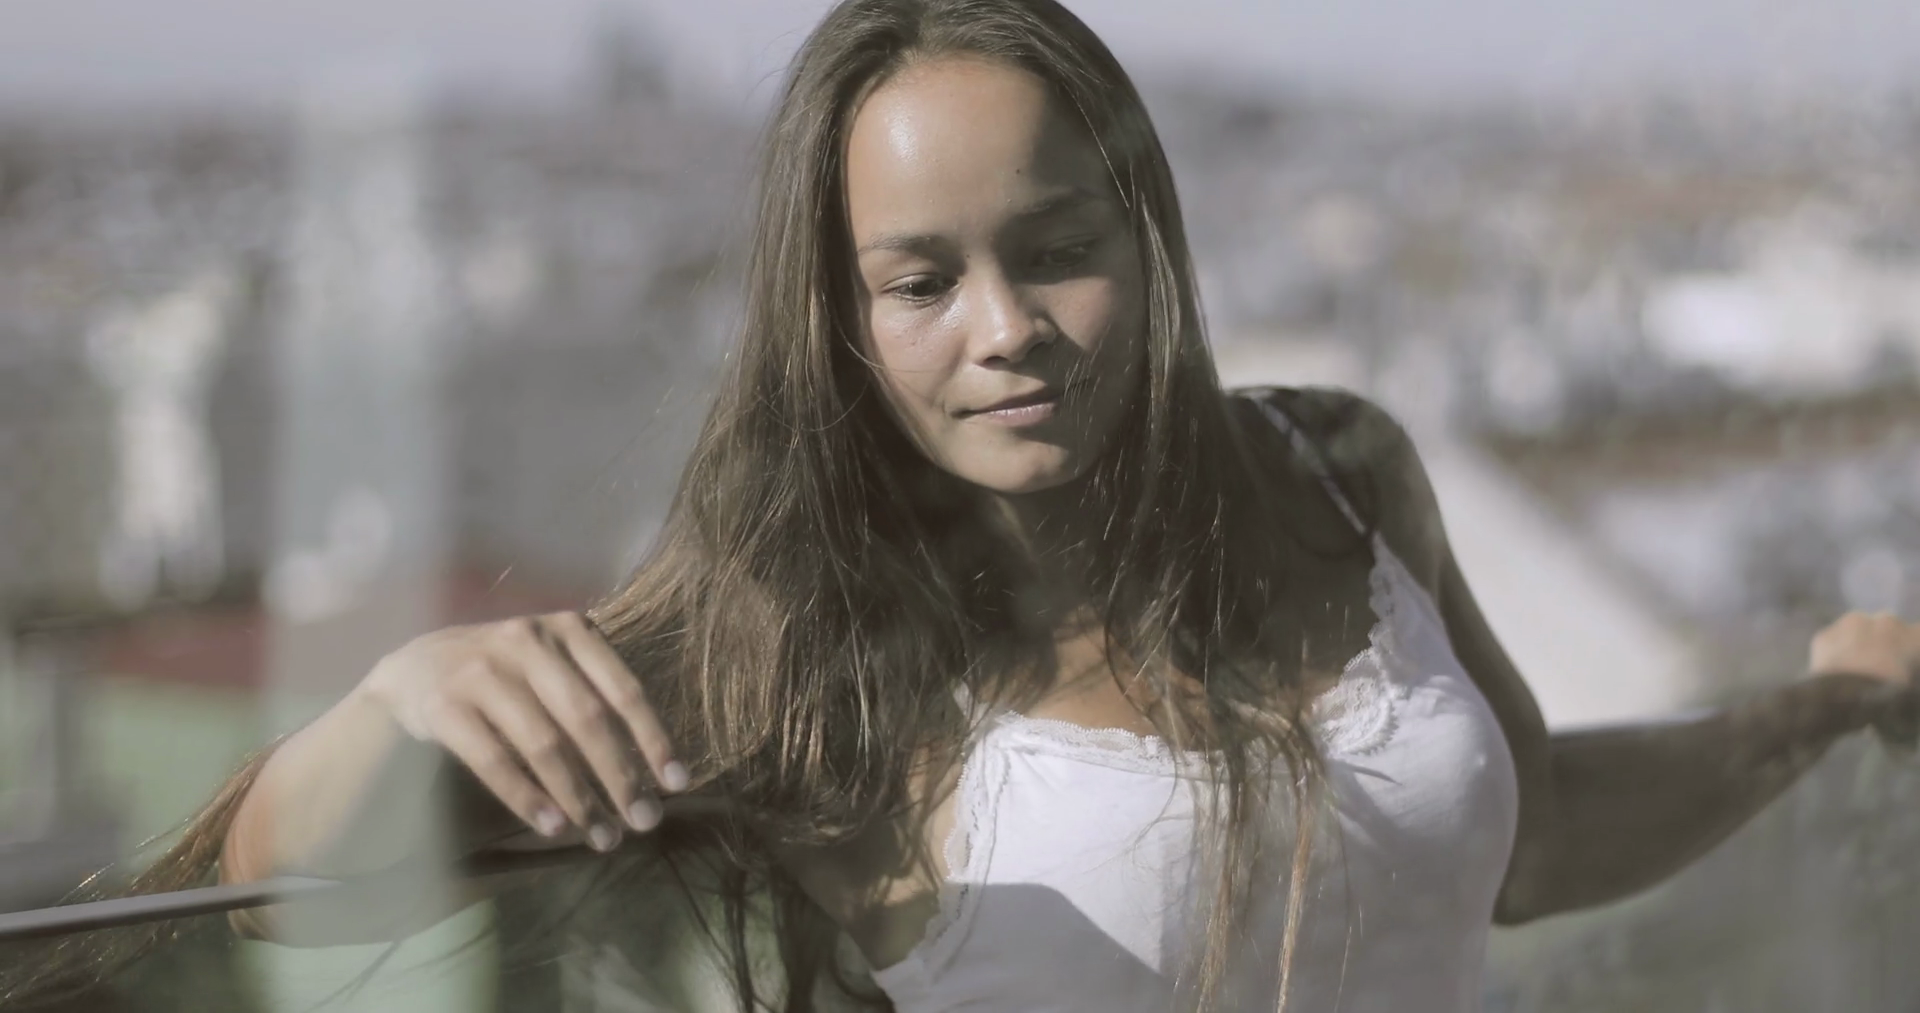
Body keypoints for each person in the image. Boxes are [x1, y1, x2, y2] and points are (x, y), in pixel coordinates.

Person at [9, 1, 1919, 1010]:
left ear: (1150, 241)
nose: (1006, 331)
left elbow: (1533, 834)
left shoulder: (1336, 468)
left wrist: (1828, 703)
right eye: (920, 281)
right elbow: (283, 898)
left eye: (1057, 248)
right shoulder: (801, 625)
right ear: (837, 322)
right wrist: (399, 703)